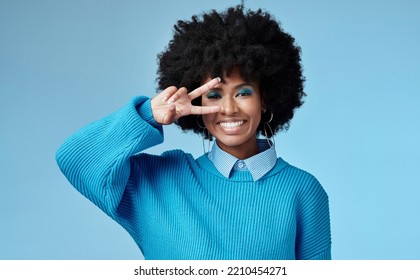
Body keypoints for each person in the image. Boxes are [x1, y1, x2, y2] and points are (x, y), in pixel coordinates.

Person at [56, 5, 331, 260]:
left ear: (265, 99)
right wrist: (148, 114)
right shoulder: (158, 182)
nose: (228, 108)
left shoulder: (303, 190)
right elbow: (74, 158)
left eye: (243, 92)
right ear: (197, 102)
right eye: (213, 94)